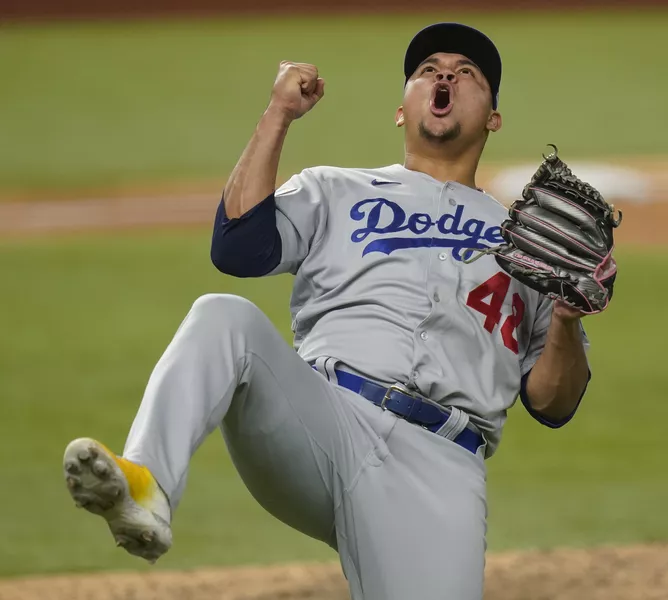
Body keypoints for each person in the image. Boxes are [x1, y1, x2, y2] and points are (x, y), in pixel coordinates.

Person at [62, 22, 592, 600]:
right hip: (323, 422)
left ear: (493, 117)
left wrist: (566, 317)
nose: (445, 75)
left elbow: (552, 402)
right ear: (401, 109)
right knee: (225, 316)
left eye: (467, 73)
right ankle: (145, 483)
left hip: (441, 463)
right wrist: (278, 114)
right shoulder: (336, 190)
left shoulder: (530, 244)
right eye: (427, 70)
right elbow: (238, 246)